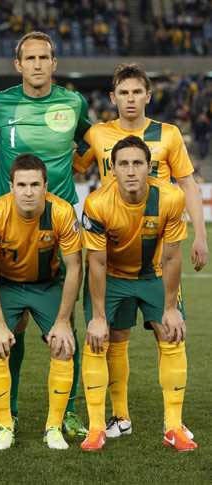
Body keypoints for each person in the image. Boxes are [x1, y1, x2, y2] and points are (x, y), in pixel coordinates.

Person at [74, 63, 208, 439]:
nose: (130, 99)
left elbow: (188, 183)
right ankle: (119, 416)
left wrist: (200, 235)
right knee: (114, 339)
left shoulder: (169, 134)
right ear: (112, 97)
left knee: (170, 332)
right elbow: (69, 166)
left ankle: (173, 423)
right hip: (113, 249)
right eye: (123, 92)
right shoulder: (98, 134)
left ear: (148, 96)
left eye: (137, 92)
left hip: (157, 254)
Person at [0, 31, 91, 437]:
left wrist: (74, 168)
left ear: (54, 63)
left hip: (59, 219)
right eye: (29, 58)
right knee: (9, 327)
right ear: (18, 65)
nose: (37, 64)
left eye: (44, 57)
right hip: (10, 219)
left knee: (65, 324)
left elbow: (91, 143)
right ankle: (7, 411)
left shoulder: (73, 103)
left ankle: (70, 410)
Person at [81, 135, 196, 452]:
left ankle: (173, 427)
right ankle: (98, 427)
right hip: (112, 277)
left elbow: (172, 256)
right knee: (100, 340)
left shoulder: (171, 197)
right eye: (123, 164)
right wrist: (98, 317)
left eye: (137, 163)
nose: (131, 170)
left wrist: (171, 308)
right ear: (113, 168)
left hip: (153, 274)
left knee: (172, 334)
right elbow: (96, 262)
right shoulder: (97, 204)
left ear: (149, 167)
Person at [0, 154, 82, 450]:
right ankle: (5, 425)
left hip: (46, 285)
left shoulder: (61, 212)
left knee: (64, 343)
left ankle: (54, 427)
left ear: (45, 187)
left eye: (35, 185)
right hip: (6, 285)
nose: (28, 192)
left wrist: (62, 322)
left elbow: (75, 267)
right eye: (22, 185)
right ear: (11, 186)